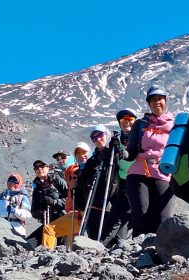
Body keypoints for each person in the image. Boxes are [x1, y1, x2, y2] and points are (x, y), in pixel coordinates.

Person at [125, 85, 175, 237]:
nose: (157, 102)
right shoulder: (140, 124)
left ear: (166, 100)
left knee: (163, 219)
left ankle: (159, 255)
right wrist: (122, 152)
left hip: (164, 174)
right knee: (141, 218)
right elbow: (131, 153)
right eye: (153, 99)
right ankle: (138, 256)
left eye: (160, 98)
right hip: (139, 172)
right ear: (149, 103)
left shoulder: (176, 125)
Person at [75, 125, 122, 240]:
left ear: (107, 135)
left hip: (109, 204)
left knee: (111, 238)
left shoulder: (114, 153)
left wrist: (117, 149)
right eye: (94, 138)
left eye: (100, 135)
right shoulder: (92, 160)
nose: (98, 140)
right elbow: (83, 184)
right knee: (94, 238)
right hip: (93, 205)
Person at [101, 109, 137, 246]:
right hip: (123, 182)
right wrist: (110, 151)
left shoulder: (140, 137)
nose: (126, 122)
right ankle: (111, 244)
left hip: (140, 179)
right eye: (123, 120)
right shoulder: (117, 141)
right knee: (117, 214)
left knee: (133, 213)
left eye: (130, 119)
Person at [0, 173, 32, 237]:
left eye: (15, 181)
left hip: (16, 229)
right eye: (10, 181)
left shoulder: (22, 197)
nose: (12, 183)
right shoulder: (3, 196)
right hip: (0, 227)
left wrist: (15, 211)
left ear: (19, 183)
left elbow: (28, 215)